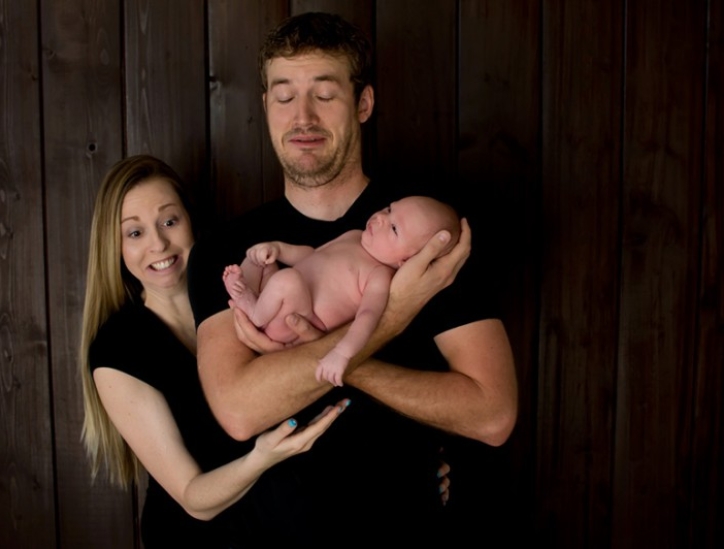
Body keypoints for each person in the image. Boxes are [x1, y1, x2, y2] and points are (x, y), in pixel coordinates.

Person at [188, 11, 519, 548]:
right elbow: (240, 410)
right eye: (284, 94)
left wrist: (339, 358)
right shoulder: (230, 252)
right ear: (265, 105)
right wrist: (390, 319)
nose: (303, 116)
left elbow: (492, 413)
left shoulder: (423, 234)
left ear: (363, 104)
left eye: (325, 94)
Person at [78, 154, 349, 548]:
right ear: (113, 246)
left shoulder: (245, 291)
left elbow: (320, 374)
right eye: (134, 233)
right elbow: (194, 498)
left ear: (191, 221)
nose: (158, 244)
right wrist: (261, 457)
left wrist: (401, 466)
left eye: (169, 221)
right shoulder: (119, 347)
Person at [223, 195, 461, 386]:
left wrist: (342, 353)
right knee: (259, 258)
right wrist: (279, 249)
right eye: (389, 209)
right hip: (281, 295)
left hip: (293, 321)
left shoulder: (379, 277)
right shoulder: (355, 235)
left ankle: (253, 310)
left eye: (394, 229)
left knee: (287, 280)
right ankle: (248, 293)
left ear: (407, 262)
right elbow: (313, 255)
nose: (380, 218)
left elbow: (367, 317)